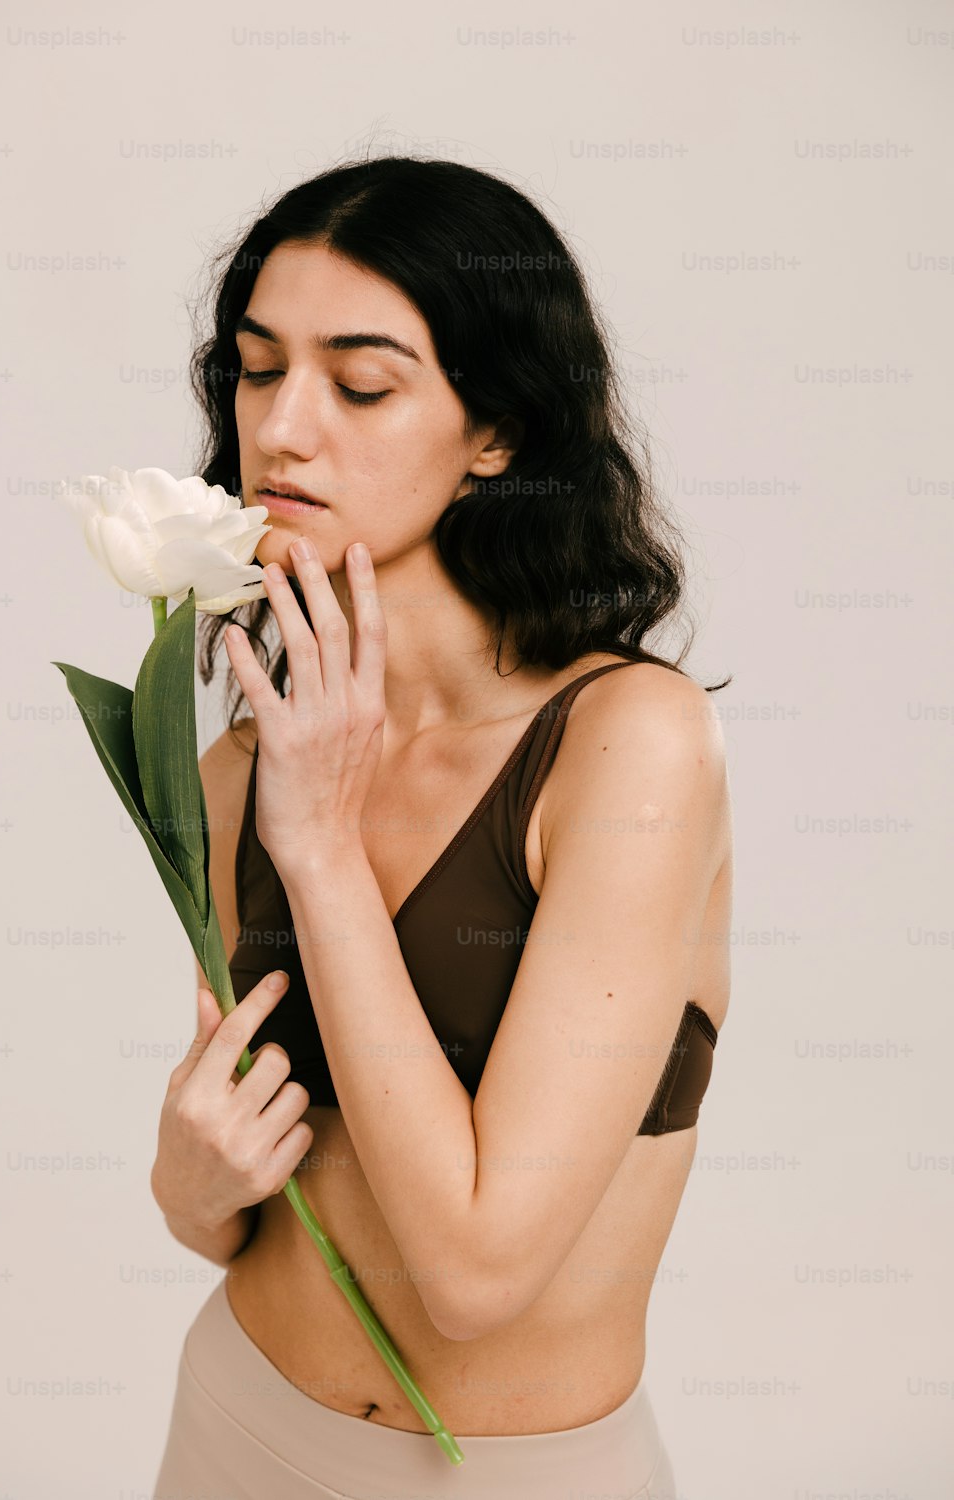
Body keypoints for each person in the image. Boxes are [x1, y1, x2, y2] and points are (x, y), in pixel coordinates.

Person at [150, 154, 733, 1500]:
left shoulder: (627, 746)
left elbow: (477, 1273)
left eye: (360, 383)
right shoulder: (250, 753)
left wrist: (322, 846)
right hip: (232, 1424)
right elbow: (230, 1204)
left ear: (499, 432)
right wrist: (187, 1180)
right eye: (253, 368)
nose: (284, 428)